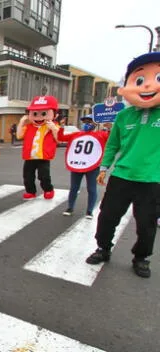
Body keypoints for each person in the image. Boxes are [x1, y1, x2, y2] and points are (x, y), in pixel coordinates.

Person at [85, 52, 160, 278]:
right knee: (107, 215)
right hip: (122, 175)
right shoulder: (124, 116)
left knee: (146, 223)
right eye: (139, 80)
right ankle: (103, 248)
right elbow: (112, 145)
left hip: (152, 178)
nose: (146, 85)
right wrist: (105, 167)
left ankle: (141, 257)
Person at [56, 116, 109, 219]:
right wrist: (61, 126)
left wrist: (109, 127)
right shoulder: (76, 134)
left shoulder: (101, 134)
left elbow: (112, 138)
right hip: (77, 164)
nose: (86, 123)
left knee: (91, 188)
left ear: (95, 124)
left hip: (92, 166)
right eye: (84, 121)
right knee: (74, 188)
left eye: (89, 121)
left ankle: (89, 211)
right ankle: (70, 208)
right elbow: (61, 138)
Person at [16, 95, 60, 200]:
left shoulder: (52, 126)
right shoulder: (28, 127)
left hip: (43, 157)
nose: (39, 117)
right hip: (29, 157)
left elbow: (59, 139)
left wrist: (54, 129)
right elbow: (18, 136)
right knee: (27, 176)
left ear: (54, 114)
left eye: (44, 113)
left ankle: (48, 189)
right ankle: (30, 191)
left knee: (44, 176)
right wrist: (21, 122)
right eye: (35, 113)